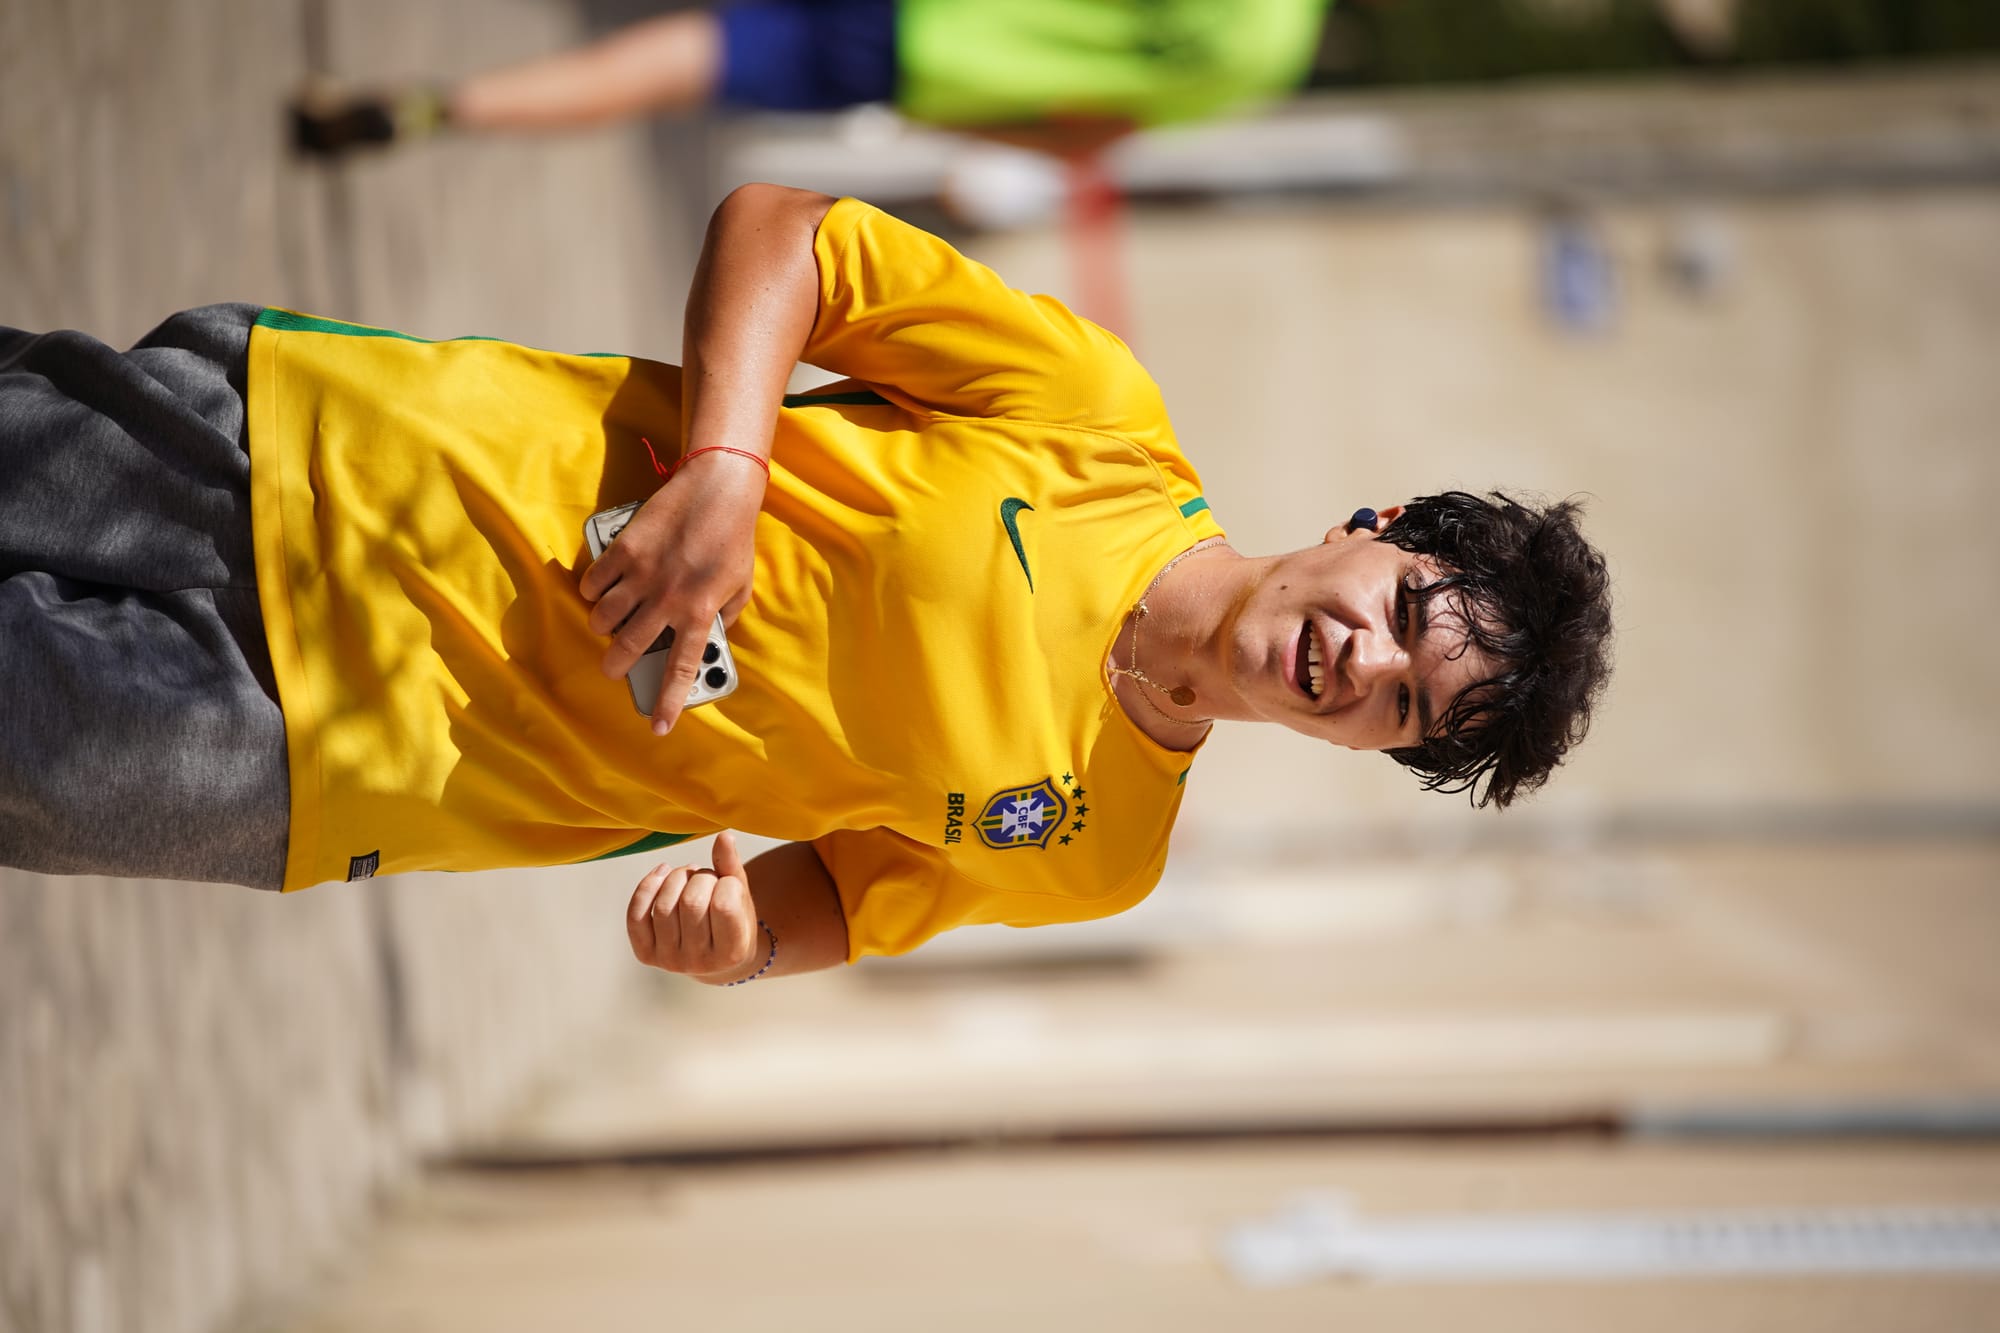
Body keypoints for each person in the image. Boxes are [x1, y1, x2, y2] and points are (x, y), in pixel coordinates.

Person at [0, 183, 1612, 984]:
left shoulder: (1096, 858)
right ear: (1377, 526)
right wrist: (726, 465)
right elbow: (789, 233)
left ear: (1365, 750)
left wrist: (735, 942)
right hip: (334, 454)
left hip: (335, 761)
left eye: (1402, 707)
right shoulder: (1095, 417)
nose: (1356, 659)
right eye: (1403, 606)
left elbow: (839, 895)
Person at [291, 0, 1334, 163]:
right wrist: (951, 123)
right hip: (917, 55)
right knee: (698, 56)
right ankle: (445, 105)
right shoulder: (1266, 48)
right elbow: (1082, 132)